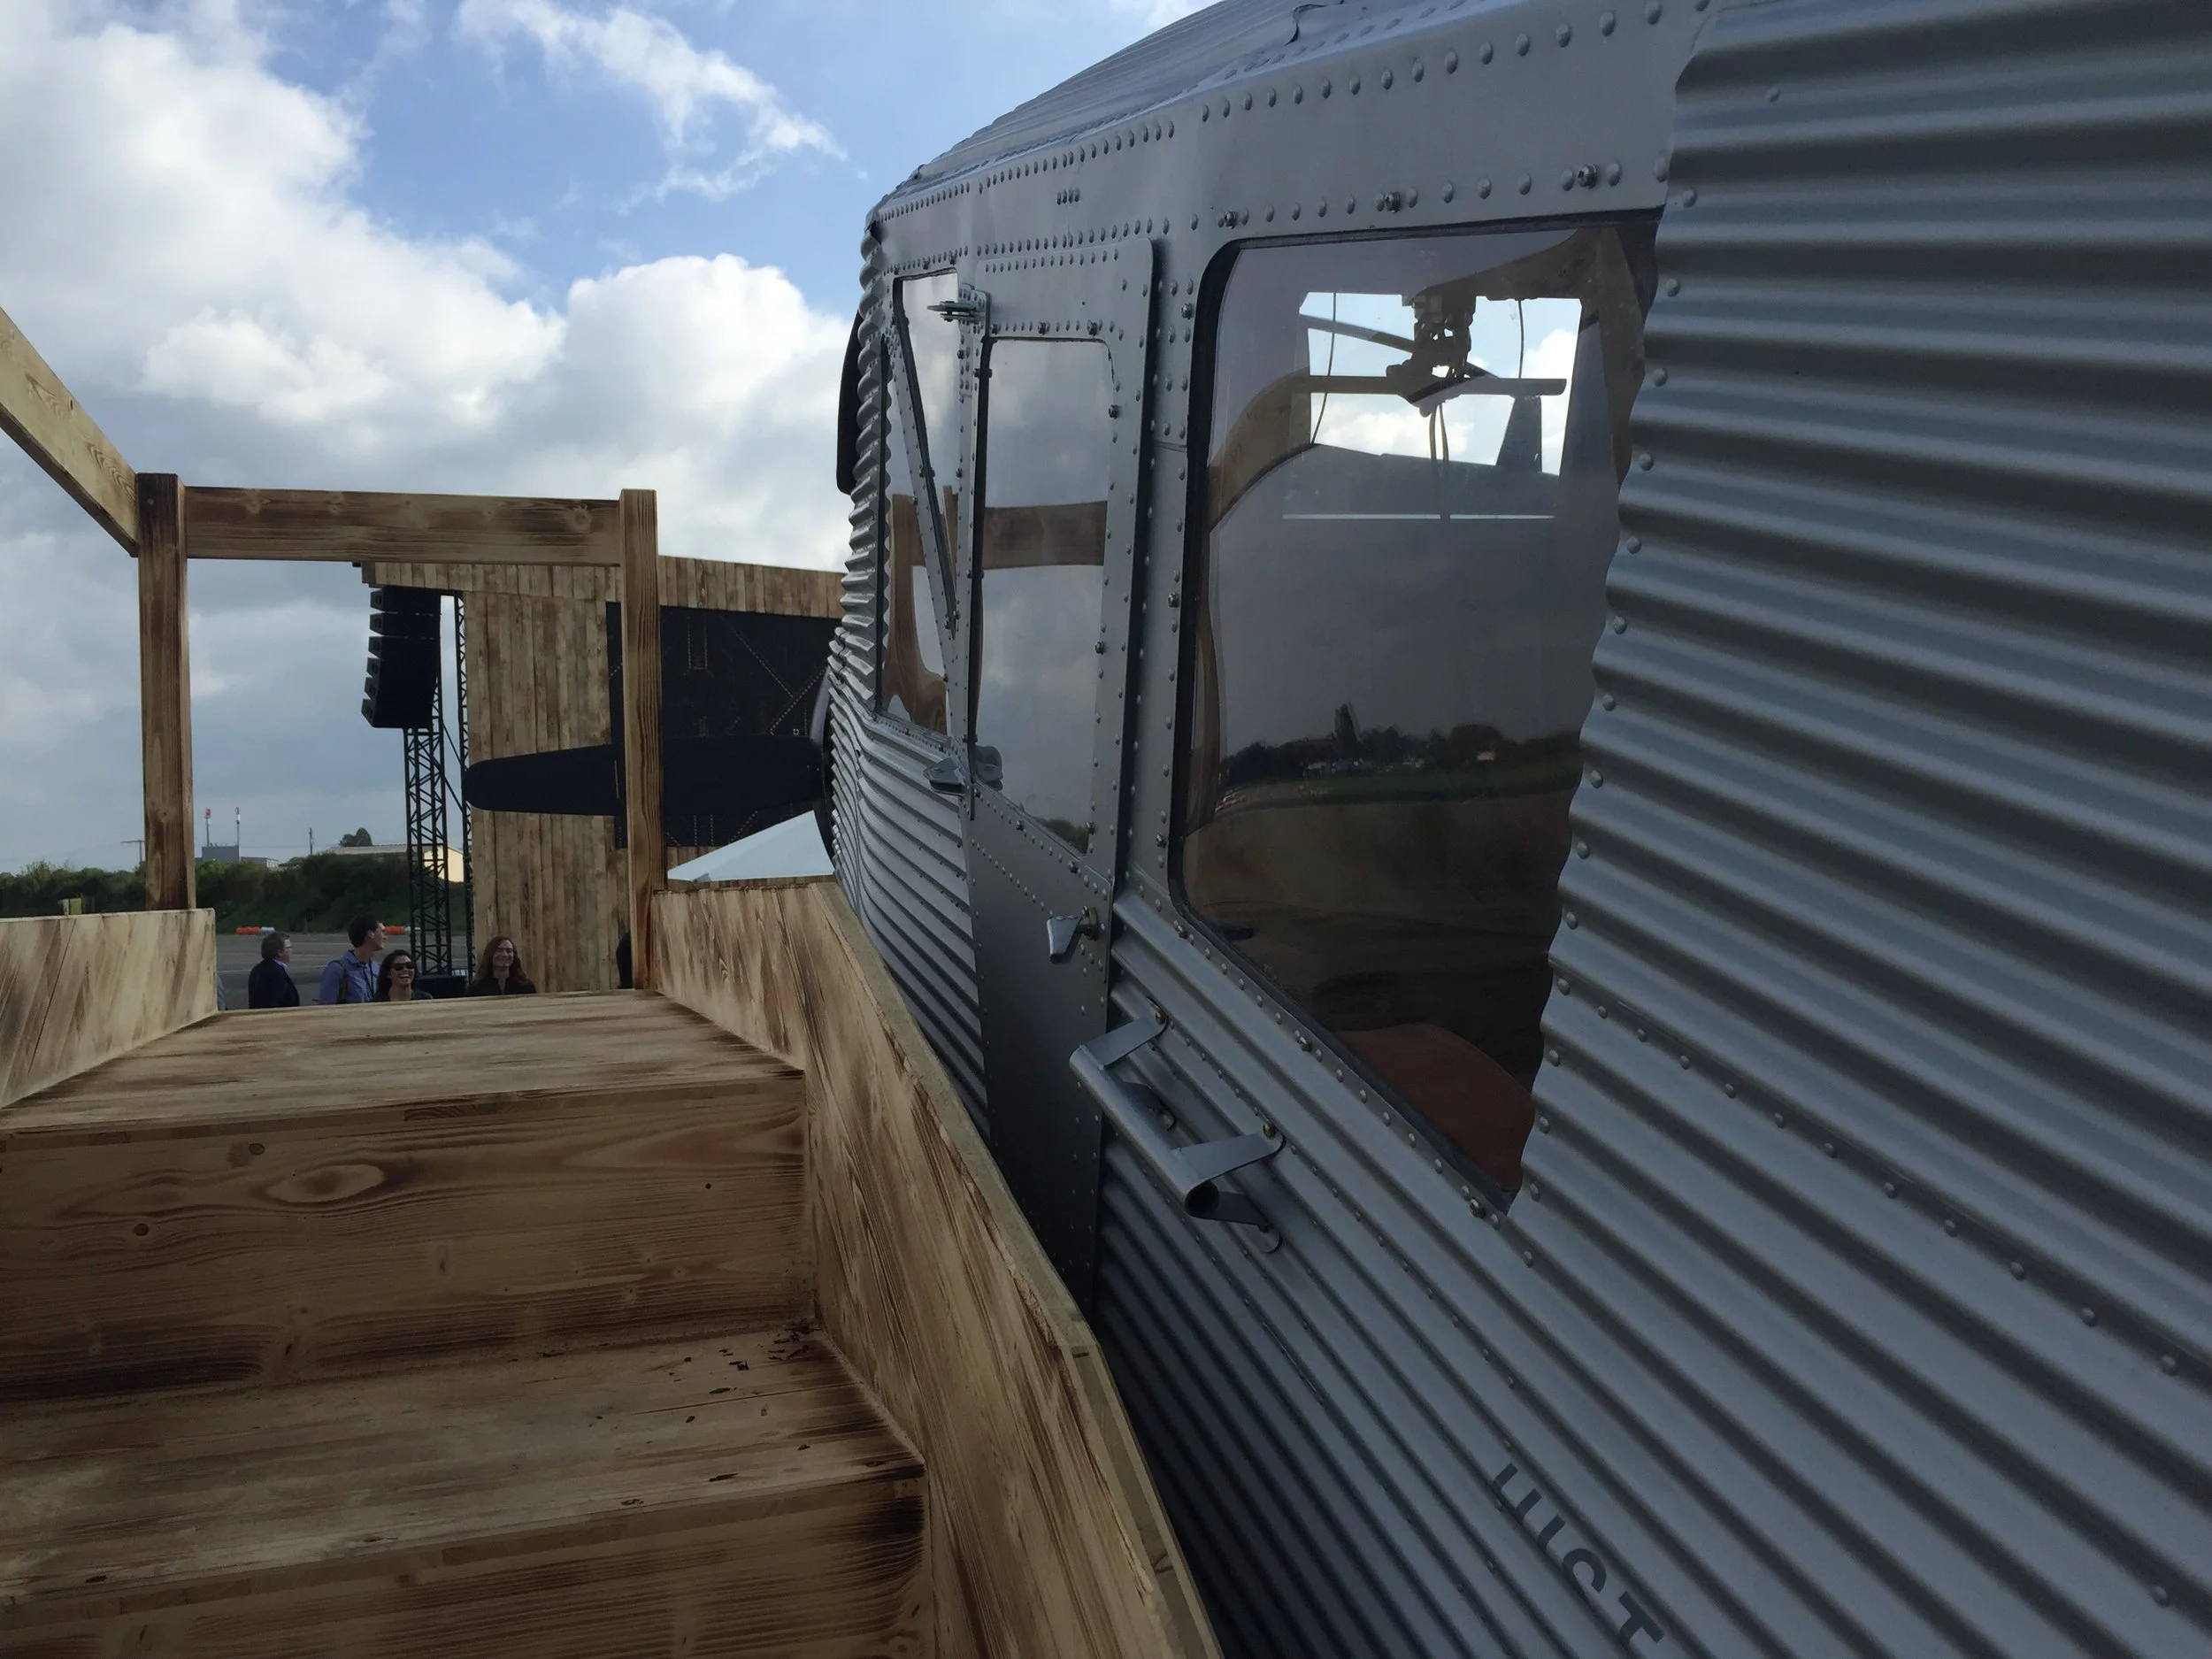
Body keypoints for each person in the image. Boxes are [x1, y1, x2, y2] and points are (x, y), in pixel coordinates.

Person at [318, 916, 384, 1004]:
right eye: (382, 932)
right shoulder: (337, 970)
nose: (385, 937)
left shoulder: (376, 968)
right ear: (370, 934)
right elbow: (325, 1006)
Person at [246, 931, 299, 1009]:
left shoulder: (257, 969)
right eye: (289, 947)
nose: (292, 950)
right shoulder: (275, 973)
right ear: (280, 952)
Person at [467, 935, 535, 996]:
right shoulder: (476, 988)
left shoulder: (526, 987)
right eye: (500, 950)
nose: (505, 955)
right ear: (490, 954)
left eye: (509, 951)